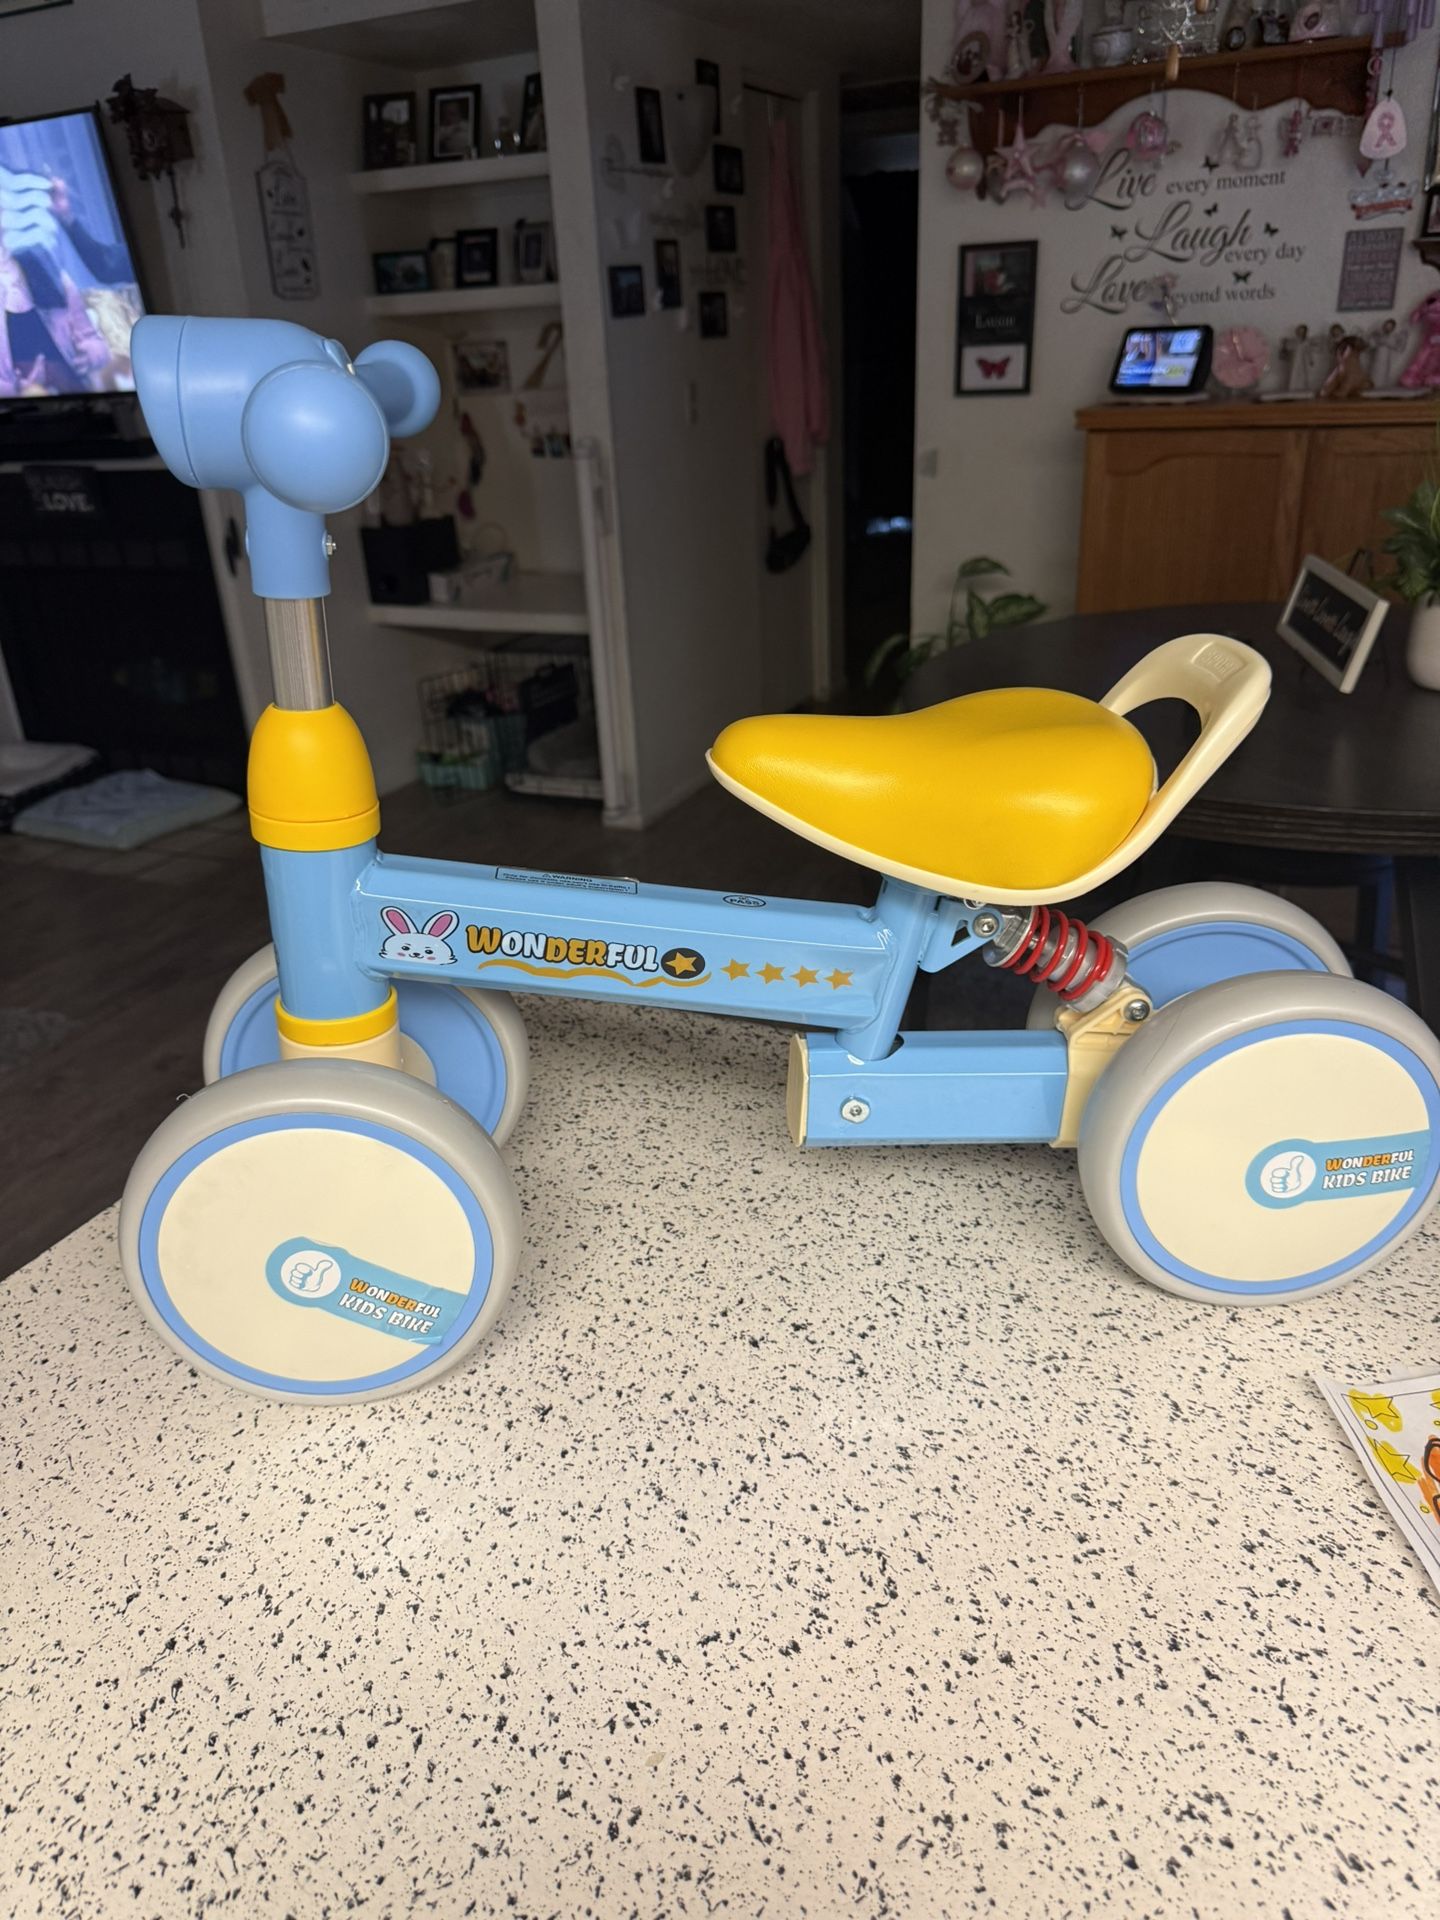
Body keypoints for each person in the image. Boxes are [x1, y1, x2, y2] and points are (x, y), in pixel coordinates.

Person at [0, 168, 127, 396]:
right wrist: (17, 389)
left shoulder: (46, 270)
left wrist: (90, 354)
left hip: (78, 399)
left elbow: (95, 344)